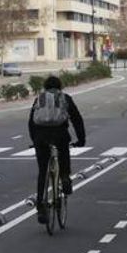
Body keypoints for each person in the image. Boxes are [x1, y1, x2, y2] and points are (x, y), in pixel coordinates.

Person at [28, 75, 86, 223]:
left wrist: (34, 140)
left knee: (42, 171)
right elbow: (77, 119)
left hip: (41, 137)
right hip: (60, 135)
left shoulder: (39, 99)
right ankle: (65, 177)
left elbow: (31, 122)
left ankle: (41, 207)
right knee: (63, 156)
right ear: (60, 86)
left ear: (45, 87)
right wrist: (81, 139)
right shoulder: (65, 98)